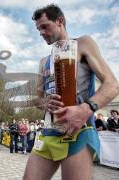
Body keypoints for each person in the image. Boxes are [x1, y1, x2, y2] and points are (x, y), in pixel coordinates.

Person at [24, 4, 119, 180]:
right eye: (38, 29)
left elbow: (112, 84)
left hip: (78, 130)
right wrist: (45, 103)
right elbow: (37, 100)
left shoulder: (82, 43)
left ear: (60, 21)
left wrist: (86, 108)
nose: (41, 32)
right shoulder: (43, 61)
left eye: (45, 26)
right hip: (49, 131)